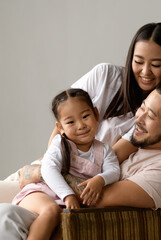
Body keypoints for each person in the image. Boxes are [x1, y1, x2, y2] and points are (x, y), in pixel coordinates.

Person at [0, 22, 161, 239]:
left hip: (76, 184)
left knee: (9, 217)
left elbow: (111, 159)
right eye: (138, 61)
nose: (145, 72)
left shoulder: (153, 117)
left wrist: (49, 176)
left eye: (156, 64)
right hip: (50, 170)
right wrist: (45, 167)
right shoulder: (106, 75)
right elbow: (63, 119)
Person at [0, 84, 161, 239]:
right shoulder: (139, 142)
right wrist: (37, 171)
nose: (139, 118)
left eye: (151, 115)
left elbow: (95, 196)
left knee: (5, 216)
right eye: (143, 107)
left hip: (59, 206)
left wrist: (41, 173)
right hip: (44, 190)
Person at [12, 89, 120, 240]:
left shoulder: (104, 149)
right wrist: (68, 195)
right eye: (71, 122)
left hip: (68, 204)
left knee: (69, 225)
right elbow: (48, 169)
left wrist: (100, 179)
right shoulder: (61, 144)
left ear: (96, 114)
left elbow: (114, 170)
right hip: (41, 193)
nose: (81, 125)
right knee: (51, 211)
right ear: (60, 127)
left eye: (85, 116)